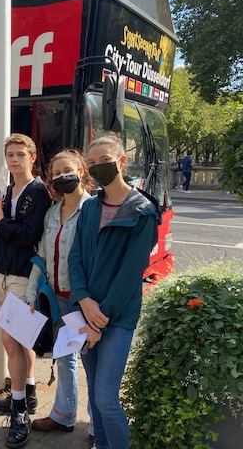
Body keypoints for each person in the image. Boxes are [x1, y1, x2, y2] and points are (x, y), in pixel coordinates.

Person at [69, 135, 160, 449]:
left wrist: (99, 318)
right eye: (92, 163)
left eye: (105, 161)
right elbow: (75, 258)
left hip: (117, 316)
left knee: (107, 400)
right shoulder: (90, 207)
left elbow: (130, 274)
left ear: (122, 161)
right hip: (86, 310)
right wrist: (83, 300)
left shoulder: (142, 211)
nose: (98, 167)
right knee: (95, 391)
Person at [0, 134, 51, 448]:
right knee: (21, 339)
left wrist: (1, 218)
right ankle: (28, 391)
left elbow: (28, 234)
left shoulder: (38, 192)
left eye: (21, 154)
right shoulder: (6, 191)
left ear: (32, 157)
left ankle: (19, 411)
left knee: (10, 339)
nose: (15, 159)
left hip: (23, 278)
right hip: (1, 275)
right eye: (10, 155)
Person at [26, 150, 93, 436]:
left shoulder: (93, 209)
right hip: (57, 298)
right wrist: (32, 292)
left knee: (92, 362)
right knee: (64, 357)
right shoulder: (52, 213)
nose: (62, 176)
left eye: (67, 170)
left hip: (86, 301)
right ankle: (64, 415)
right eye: (56, 173)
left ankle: (97, 426)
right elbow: (42, 256)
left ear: (80, 172)